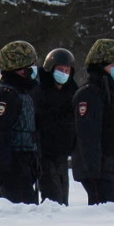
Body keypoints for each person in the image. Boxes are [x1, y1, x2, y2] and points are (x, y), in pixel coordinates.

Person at [72, 38, 114, 205]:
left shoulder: (112, 93)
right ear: (100, 66)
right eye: (112, 65)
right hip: (97, 170)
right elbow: (88, 135)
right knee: (102, 213)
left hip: (110, 168)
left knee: (109, 210)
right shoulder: (89, 94)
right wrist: (93, 169)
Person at [0, 41, 40, 204]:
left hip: (24, 165)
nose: (33, 71)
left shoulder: (21, 92)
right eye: (29, 67)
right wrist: (4, 169)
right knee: (19, 214)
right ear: (19, 68)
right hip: (13, 167)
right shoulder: (6, 95)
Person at [31, 48, 78, 205]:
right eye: (60, 69)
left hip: (63, 156)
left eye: (67, 70)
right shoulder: (39, 91)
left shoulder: (72, 92)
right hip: (45, 155)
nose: (63, 73)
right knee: (52, 201)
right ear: (51, 68)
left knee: (63, 200)